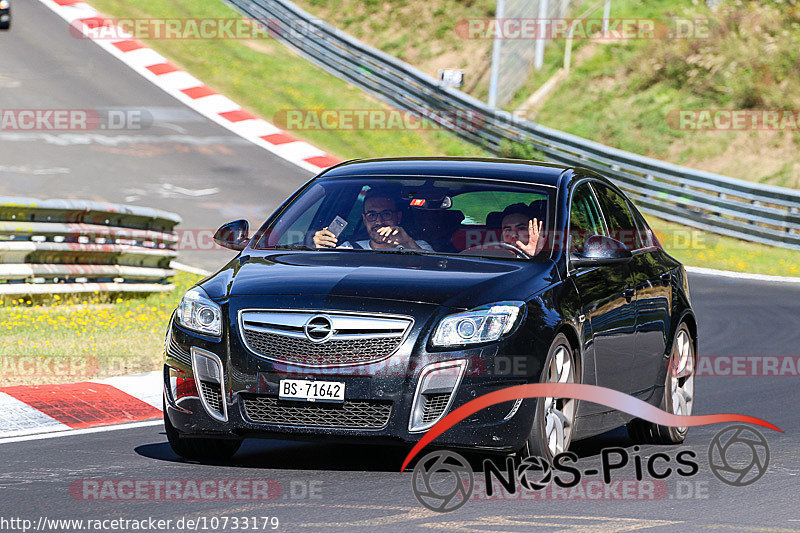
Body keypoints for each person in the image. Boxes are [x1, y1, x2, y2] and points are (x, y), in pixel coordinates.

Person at [312, 189, 433, 250]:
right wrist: (319, 249)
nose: (379, 222)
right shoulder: (350, 248)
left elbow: (434, 273)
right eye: (372, 215)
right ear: (364, 220)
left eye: (386, 214)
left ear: (398, 217)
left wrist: (408, 243)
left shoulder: (418, 247)